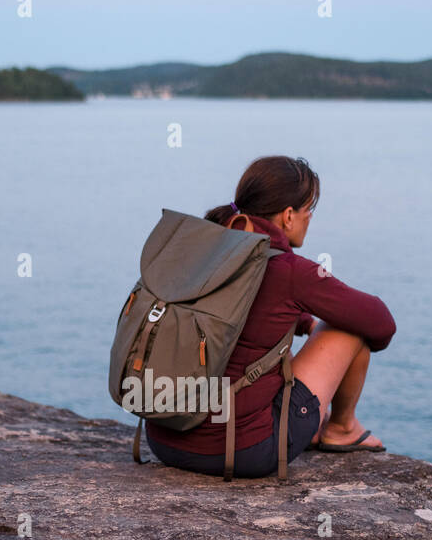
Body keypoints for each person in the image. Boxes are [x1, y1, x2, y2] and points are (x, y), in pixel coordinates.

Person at [144, 155, 397, 478]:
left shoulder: (205, 247)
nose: (310, 219)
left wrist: (302, 319)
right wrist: (318, 318)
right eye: (309, 211)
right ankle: (342, 427)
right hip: (241, 451)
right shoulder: (291, 271)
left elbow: (239, 312)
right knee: (349, 327)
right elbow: (381, 323)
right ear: (288, 216)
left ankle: (328, 426)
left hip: (166, 440)